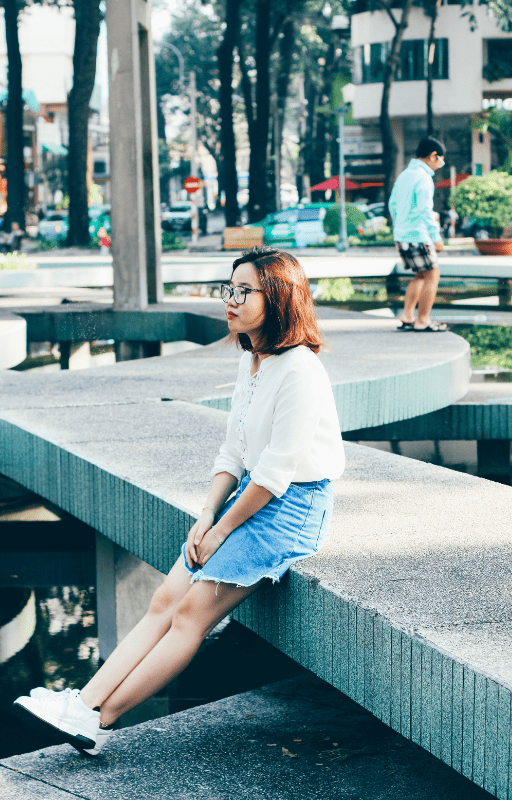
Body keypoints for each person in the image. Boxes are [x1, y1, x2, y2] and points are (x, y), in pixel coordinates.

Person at [13, 247, 345, 757]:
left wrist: (222, 530)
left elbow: (277, 475)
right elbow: (233, 450)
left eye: (243, 291)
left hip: (291, 508)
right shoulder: (251, 359)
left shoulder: (299, 370)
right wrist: (206, 515)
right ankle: (84, 703)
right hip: (247, 494)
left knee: (190, 614)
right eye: (227, 289)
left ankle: (99, 717)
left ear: (277, 298)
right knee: (164, 599)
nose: (229, 301)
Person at [389, 136, 448, 332]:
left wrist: (401, 226)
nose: (441, 163)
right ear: (433, 156)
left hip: (402, 234)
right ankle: (423, 320)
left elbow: (392, 205)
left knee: (420, 275)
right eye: (441, 158)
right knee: (433, 274)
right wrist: (436, 237)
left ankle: (407, 316)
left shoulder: (405, 175)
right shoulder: (424, 178)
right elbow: (425, 211)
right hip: (418, 234)